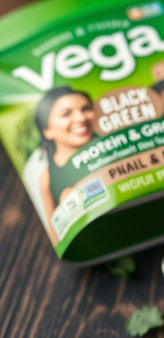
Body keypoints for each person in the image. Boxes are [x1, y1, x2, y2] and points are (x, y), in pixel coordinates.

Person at [35, 87, 96, 244]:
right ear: (47, 130)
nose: (81, 118)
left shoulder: (116, 149)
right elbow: (55, 235)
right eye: (66, 114)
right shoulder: (48, 177)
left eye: (86, 108)